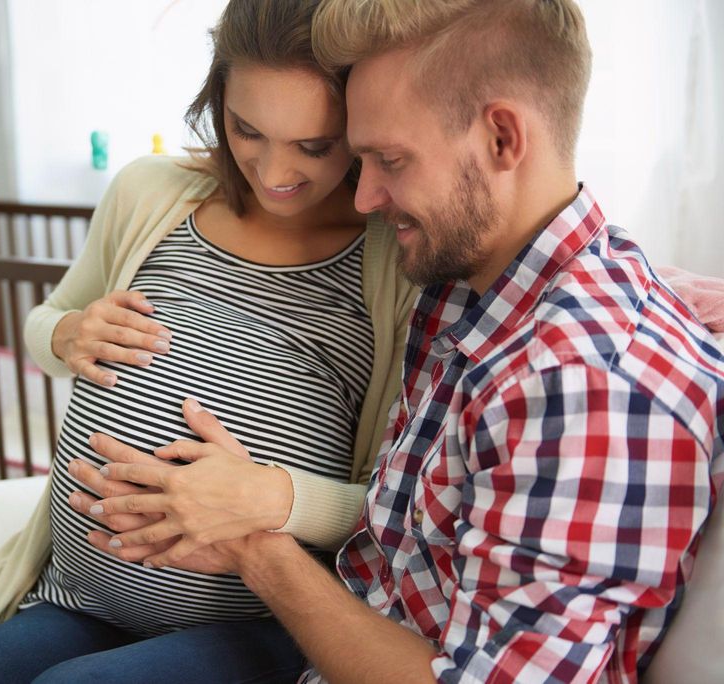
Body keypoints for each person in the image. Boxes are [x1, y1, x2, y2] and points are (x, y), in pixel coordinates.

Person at [82, 1, 724, 682]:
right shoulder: (468, 284)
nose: (364, 200)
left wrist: (258, 551)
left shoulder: (586, 389)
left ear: (503, 139)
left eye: (389, 159)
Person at [0, 1, 416, 682]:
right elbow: (46, 322)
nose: (275, 171)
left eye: (314, 146)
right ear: (218, 101)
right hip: (77, 599)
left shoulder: (396, 260)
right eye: (248, 130)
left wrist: (272, 498)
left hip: (260, 623)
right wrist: (70, 332)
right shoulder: (149, 193)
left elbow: (401, 500)